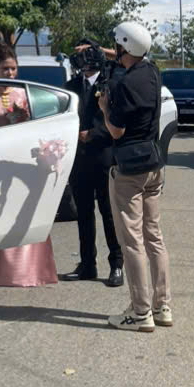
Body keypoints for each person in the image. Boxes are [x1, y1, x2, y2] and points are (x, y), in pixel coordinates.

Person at [98, 21, 172, 333]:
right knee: (154, 237)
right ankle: (162, 306)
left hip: (129, 171)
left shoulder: (123, 86)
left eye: (117, 46)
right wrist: (106, 53)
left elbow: (116, 130)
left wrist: (104, 108)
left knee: (132, 242)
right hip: (154, 165)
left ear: (124, 47)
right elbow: (133, 57)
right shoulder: (153, 73)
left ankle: (140, 313)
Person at [0, 42, 57, 287]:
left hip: (23, 160)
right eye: (5, 69)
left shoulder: (23, 92)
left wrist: (22, 119)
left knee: (25, 210)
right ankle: (0, 271)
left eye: (13, 68)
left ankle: (31, 270)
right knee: (0, 210)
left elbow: (36, 127)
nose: (10, 73)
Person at [61, 39, 123, 288]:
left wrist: (94, 134)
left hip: (104, 157)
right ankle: (87, 263)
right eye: (79, 52)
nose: (82, 57)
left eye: (86, 52)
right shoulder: (71, 87)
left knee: (109, 213)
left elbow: (118, 121)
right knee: (84, 213)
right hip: (79, 160)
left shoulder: (111, 84)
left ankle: (116, 264)